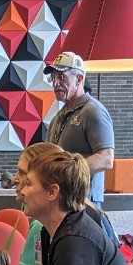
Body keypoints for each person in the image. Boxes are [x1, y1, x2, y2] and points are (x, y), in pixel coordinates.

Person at [44, 52, 115, 206]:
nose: (55, 83)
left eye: (61, 77)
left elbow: (106, 159)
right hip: (62, 198)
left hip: (84, 199)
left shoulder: (93, 111)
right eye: (53, 78)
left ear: (79, 79)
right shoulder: (58, 117)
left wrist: (67, 172)